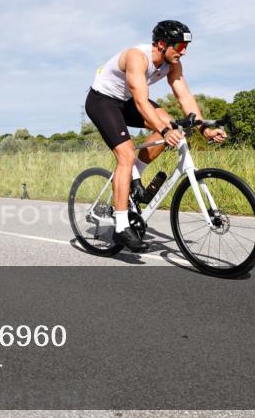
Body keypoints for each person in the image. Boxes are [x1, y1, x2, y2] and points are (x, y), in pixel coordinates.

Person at [84, 20, 227, 252]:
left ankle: (135, 178)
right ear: (162, 44)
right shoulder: (137, 57)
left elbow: (185, 98)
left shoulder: (173, 64)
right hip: (103, 101)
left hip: (126, 101)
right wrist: (163, 130)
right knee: (126, 154)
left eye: (185, 47)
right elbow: (141, 101)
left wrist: (205, 128)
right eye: (180, 47)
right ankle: (120, 226)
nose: (184, 52)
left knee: (176, 127)